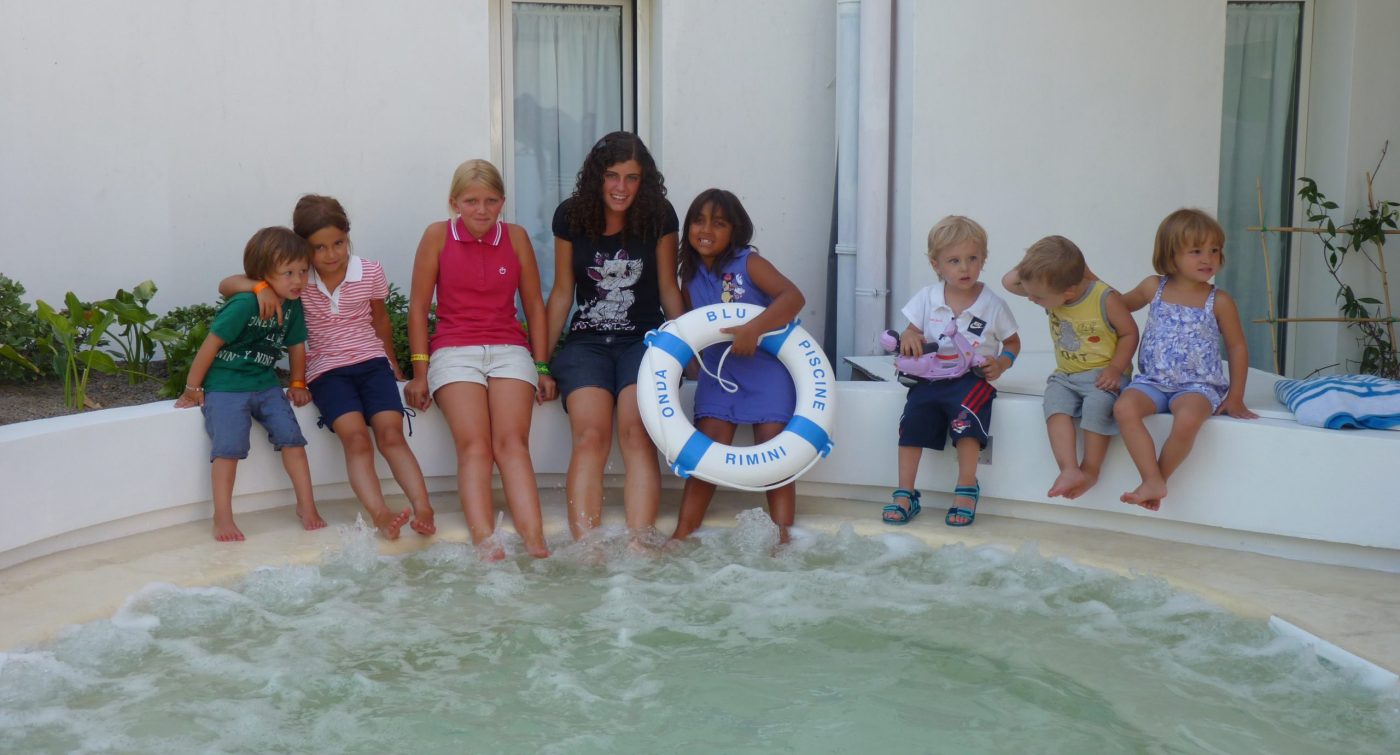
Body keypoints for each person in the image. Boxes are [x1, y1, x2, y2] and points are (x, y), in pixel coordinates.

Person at [220, 196, 436, 540]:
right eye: (319, 247)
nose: (331, 254)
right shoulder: (297, 279)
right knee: (356, 440)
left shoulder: (369, 271)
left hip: (372, 363)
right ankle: (380, 514)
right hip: (327, 372)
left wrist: (393, 363)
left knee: (391, 434)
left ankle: (423, 508)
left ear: (348, 236)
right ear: (304, 246)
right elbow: (228, 284)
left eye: (338, 243)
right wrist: (259, 287)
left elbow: (380, 320)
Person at [403, 160, 555, 560]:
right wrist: (420, 372)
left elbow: (533, 304)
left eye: (491, 201)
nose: (482, 210)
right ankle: (487, 544)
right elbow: (418, 307)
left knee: (512, 444)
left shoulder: (516, 237)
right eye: (471, 201)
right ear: (454, 202)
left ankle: (536, 541)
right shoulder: (437, 236)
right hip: (454, 351)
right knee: (474, 446)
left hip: (509, 349)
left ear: (503, 201)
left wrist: (541, 365)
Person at [543, 132, 684, 543]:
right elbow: (562, 292)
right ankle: (587, 549)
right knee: (590, 435)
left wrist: (690, 353)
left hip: (644, 340)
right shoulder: (571, 216)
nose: (621, 187)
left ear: (644, 181)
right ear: (597, 177)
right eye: (612, 176)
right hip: (586, 344)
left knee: (636, 432)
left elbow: (668, 288)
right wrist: (540, 362)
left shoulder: (659, 216)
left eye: (632, 178)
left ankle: (641, 545)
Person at [668, 189, 806, 544]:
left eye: (719, 223)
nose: (706, 230)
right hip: (720, 372)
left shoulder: (750, 263)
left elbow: (793, 297)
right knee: (706, 451)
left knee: (775, 451)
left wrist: (754, 328)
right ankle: (682, 534)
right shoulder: (690, 275)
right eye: (698, 221)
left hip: (766, 371)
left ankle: (784, 538)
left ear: (735, 230)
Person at [176, 227, 326, 542]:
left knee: (293, 440)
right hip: (226, 385)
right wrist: (193, 388)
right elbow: (211, 345)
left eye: (303, 271)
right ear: (263, 274)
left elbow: (296, 345)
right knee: (228, 448)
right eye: (288, 273)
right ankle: (222, 516)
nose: (298, 280)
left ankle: (307, 506)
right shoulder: (244, 303)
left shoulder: (293, 305)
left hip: (265, 384)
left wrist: (298, 381)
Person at [1114, 209, 1257, 510]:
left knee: (1189, 419)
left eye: (1214, 250)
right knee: (1124, 408)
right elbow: (1115, 307)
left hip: (1198, 386)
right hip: (1152, 382)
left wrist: (1236, 396)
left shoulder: (1219, 301)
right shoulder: (1153, 287)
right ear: (1171, 255)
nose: (1208, 259)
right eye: (1196, 251)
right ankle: (1150, 478)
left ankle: (1158, 480)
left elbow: (1237, 347)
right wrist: (1083, 286)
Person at [886, 216, 1020, 527]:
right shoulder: (927, 297)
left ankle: (966, 487)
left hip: (971, 379)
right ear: (936, 264)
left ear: (983, 259)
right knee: (912, 420)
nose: (965, 268)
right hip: (930, 378)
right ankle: (906, 492)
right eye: (954, 261)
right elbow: (911, 330)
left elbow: (1013, 342)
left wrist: (1002, 363)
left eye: (972, 258)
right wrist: (909, 336)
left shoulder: (993, 304)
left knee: (965, 419)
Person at [1002, 235, 1139, 499]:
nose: (1031, 299)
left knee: (1097, 405)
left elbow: (1129, 333)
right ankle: (1069, 469)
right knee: (1054, 405)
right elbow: (1009, 282)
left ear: (1069, 293)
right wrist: (1039, 261)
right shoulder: (1049, 288)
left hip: (1104, 375)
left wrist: (1115, 369)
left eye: (1037, 297)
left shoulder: (1104, 297)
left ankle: (1091, 470)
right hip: (1066, 376)